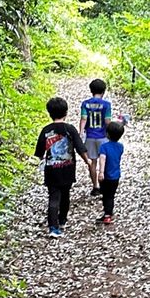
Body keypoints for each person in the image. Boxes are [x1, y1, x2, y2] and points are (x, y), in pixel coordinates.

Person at [34, 96, 95, 238]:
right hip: (67, 169)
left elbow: (39, 153)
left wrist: (40, 161)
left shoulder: (46, 130)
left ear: (49, 113)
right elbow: (80, 148)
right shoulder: (70, 129)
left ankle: (53, 227)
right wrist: (88, 161)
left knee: (53, 197)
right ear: (66, 112)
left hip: (51, 170)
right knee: (66, 195)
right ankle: (62, 220)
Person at [80, 78, 115, 196]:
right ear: (104, 91)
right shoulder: (106, 105)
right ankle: (104, 183)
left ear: (91, 90)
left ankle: (95, 186)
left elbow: (84, 118)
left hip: (90, 136)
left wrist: (81, 132)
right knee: (103, 160)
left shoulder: (85, 104)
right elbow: (107, 120)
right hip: (103, 136)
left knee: (92, 162)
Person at [96, 118, 125, 229]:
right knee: (111, 195)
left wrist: (101, 172)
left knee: (106, 195)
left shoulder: (104, 147)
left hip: (106, 176)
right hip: (116, 175)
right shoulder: (120, 147)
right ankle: (109, 212)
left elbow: (102, 160)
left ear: (107, 133)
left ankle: (107, 215)